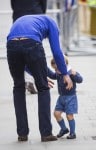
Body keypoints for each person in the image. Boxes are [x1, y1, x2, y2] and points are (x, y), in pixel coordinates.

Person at [6, 14, 73, 142]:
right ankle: (46, 133)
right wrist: (65, 74)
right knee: (43, 88)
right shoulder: (52, 23)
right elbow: (57, 51)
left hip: (11, 45)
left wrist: (38, 74)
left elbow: (21, 54)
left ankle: (22, 134)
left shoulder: (25, 19)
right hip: (32, 43)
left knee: (18, 87)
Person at [10, 0, 47, 94]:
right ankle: (31, 78)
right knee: (34, 49)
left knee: (19, 49)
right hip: (35, 15)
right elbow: (44, 4)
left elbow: (13, 4)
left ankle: (22, 80)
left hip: (19, 16)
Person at [49, 56, 83, 139]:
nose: (56, 71)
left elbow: (80, 80)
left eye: (56, 69)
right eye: (54, 69)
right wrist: (45, 69)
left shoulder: (70, 72)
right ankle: (64, 129)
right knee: (56, 114)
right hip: (61, 97)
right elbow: (53, 75)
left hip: (71, 97)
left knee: (69, 115)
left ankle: (72, 133)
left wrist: (75, 75)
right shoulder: (58, 73)